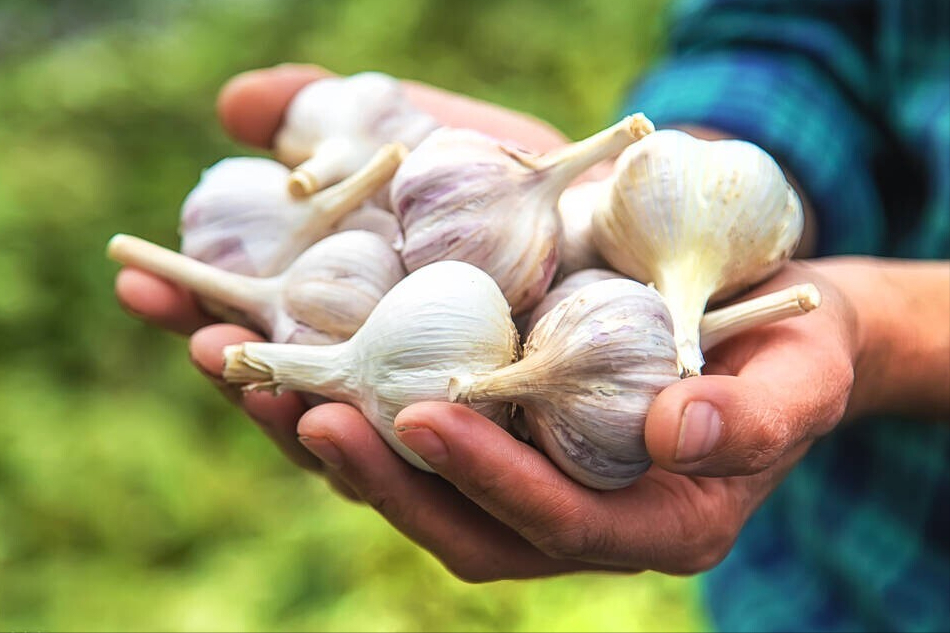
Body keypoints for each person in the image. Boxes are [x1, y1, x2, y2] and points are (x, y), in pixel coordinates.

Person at [114, 1, 949, 630]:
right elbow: (787, 32)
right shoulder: (524, 252)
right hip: (808, 585)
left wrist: (884, 331)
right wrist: (694, 175)